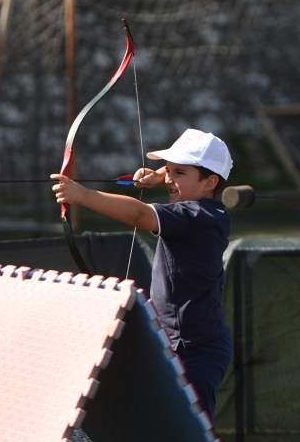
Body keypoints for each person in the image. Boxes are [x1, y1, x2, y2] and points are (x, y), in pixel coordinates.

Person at [51, 128, 234, 425]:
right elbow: (183, 178)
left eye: (180, 172)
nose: (170, 178)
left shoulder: (199, 216)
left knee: (193, 429)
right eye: (170, 169)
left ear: (209, 182)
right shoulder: (200, 205)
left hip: (196, 350)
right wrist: (162, 175)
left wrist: (83, 195)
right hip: (175, 342)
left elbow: (139, 215)